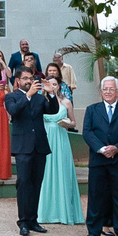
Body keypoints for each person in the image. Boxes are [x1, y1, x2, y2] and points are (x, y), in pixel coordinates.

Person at [82, 76, 118, 236]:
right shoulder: (92, 110)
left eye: (111, 89)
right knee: (95, 196)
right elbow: (87, 132)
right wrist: (102, 149)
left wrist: (117, 147)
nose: (108, 92)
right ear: (101, 91)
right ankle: (94, 231)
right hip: (98, 160)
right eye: (105, 89)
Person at [4, 67, 58, 236]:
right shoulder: (11, 97)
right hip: (23, 147)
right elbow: (14, 111)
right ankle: (23, 221)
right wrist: (27, 95)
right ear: (18, 80)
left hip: (39, 146)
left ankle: (33, 220)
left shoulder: (39, 98)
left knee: (36, 184)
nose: (29, 81)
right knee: (24, 183)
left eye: (31, 78)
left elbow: (53, 110)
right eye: (25, 78)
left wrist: (51, 94)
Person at [36, 74, 83, 225]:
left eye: (55, 84)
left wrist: (67, 123)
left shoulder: (66, 102)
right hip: (46, 138)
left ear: (59, 86)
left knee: (62, 172)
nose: (52, 86)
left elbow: (74, 123)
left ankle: (64, 212)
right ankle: (44, 212)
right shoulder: (41, 101)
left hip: (61, 140)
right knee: (45, 172)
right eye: (49, 84)